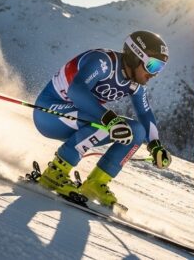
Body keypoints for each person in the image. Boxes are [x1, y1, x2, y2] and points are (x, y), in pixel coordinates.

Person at [32, 30, 172, 207]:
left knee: (137, 131)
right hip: (49, 113)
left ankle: (96, 183)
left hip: (76, 121)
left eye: (160, 68)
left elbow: (144, 113)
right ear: (135, 56)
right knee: (104, 122)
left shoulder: (134, 84)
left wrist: (155, 145)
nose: (154, 74)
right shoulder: (103, 62)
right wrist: (109, 119)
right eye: (152, 66)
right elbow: (76, 91)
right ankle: (55, 172)